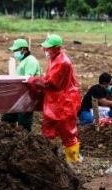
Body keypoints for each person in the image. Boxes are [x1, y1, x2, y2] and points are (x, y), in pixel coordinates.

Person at [27, 34, 81, 163]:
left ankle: (73, 159)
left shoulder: (62, 62)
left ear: (57, 48)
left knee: (67, 132)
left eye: (48, 48)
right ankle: (47, 157)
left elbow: (50, 83)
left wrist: (32, 80)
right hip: (56, 100)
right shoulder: (54, 59)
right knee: (48, 128)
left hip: (65, 102)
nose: (45, 51)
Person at [1, 38, 41, 132]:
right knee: (7, 119)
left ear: (23, 49)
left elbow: (28, 79)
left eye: (15, 50)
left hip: (27, 96)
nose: (14, 53)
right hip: (19, 96)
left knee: (24, 123)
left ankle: (26, 141)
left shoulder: (31, 61)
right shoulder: (24, 61)